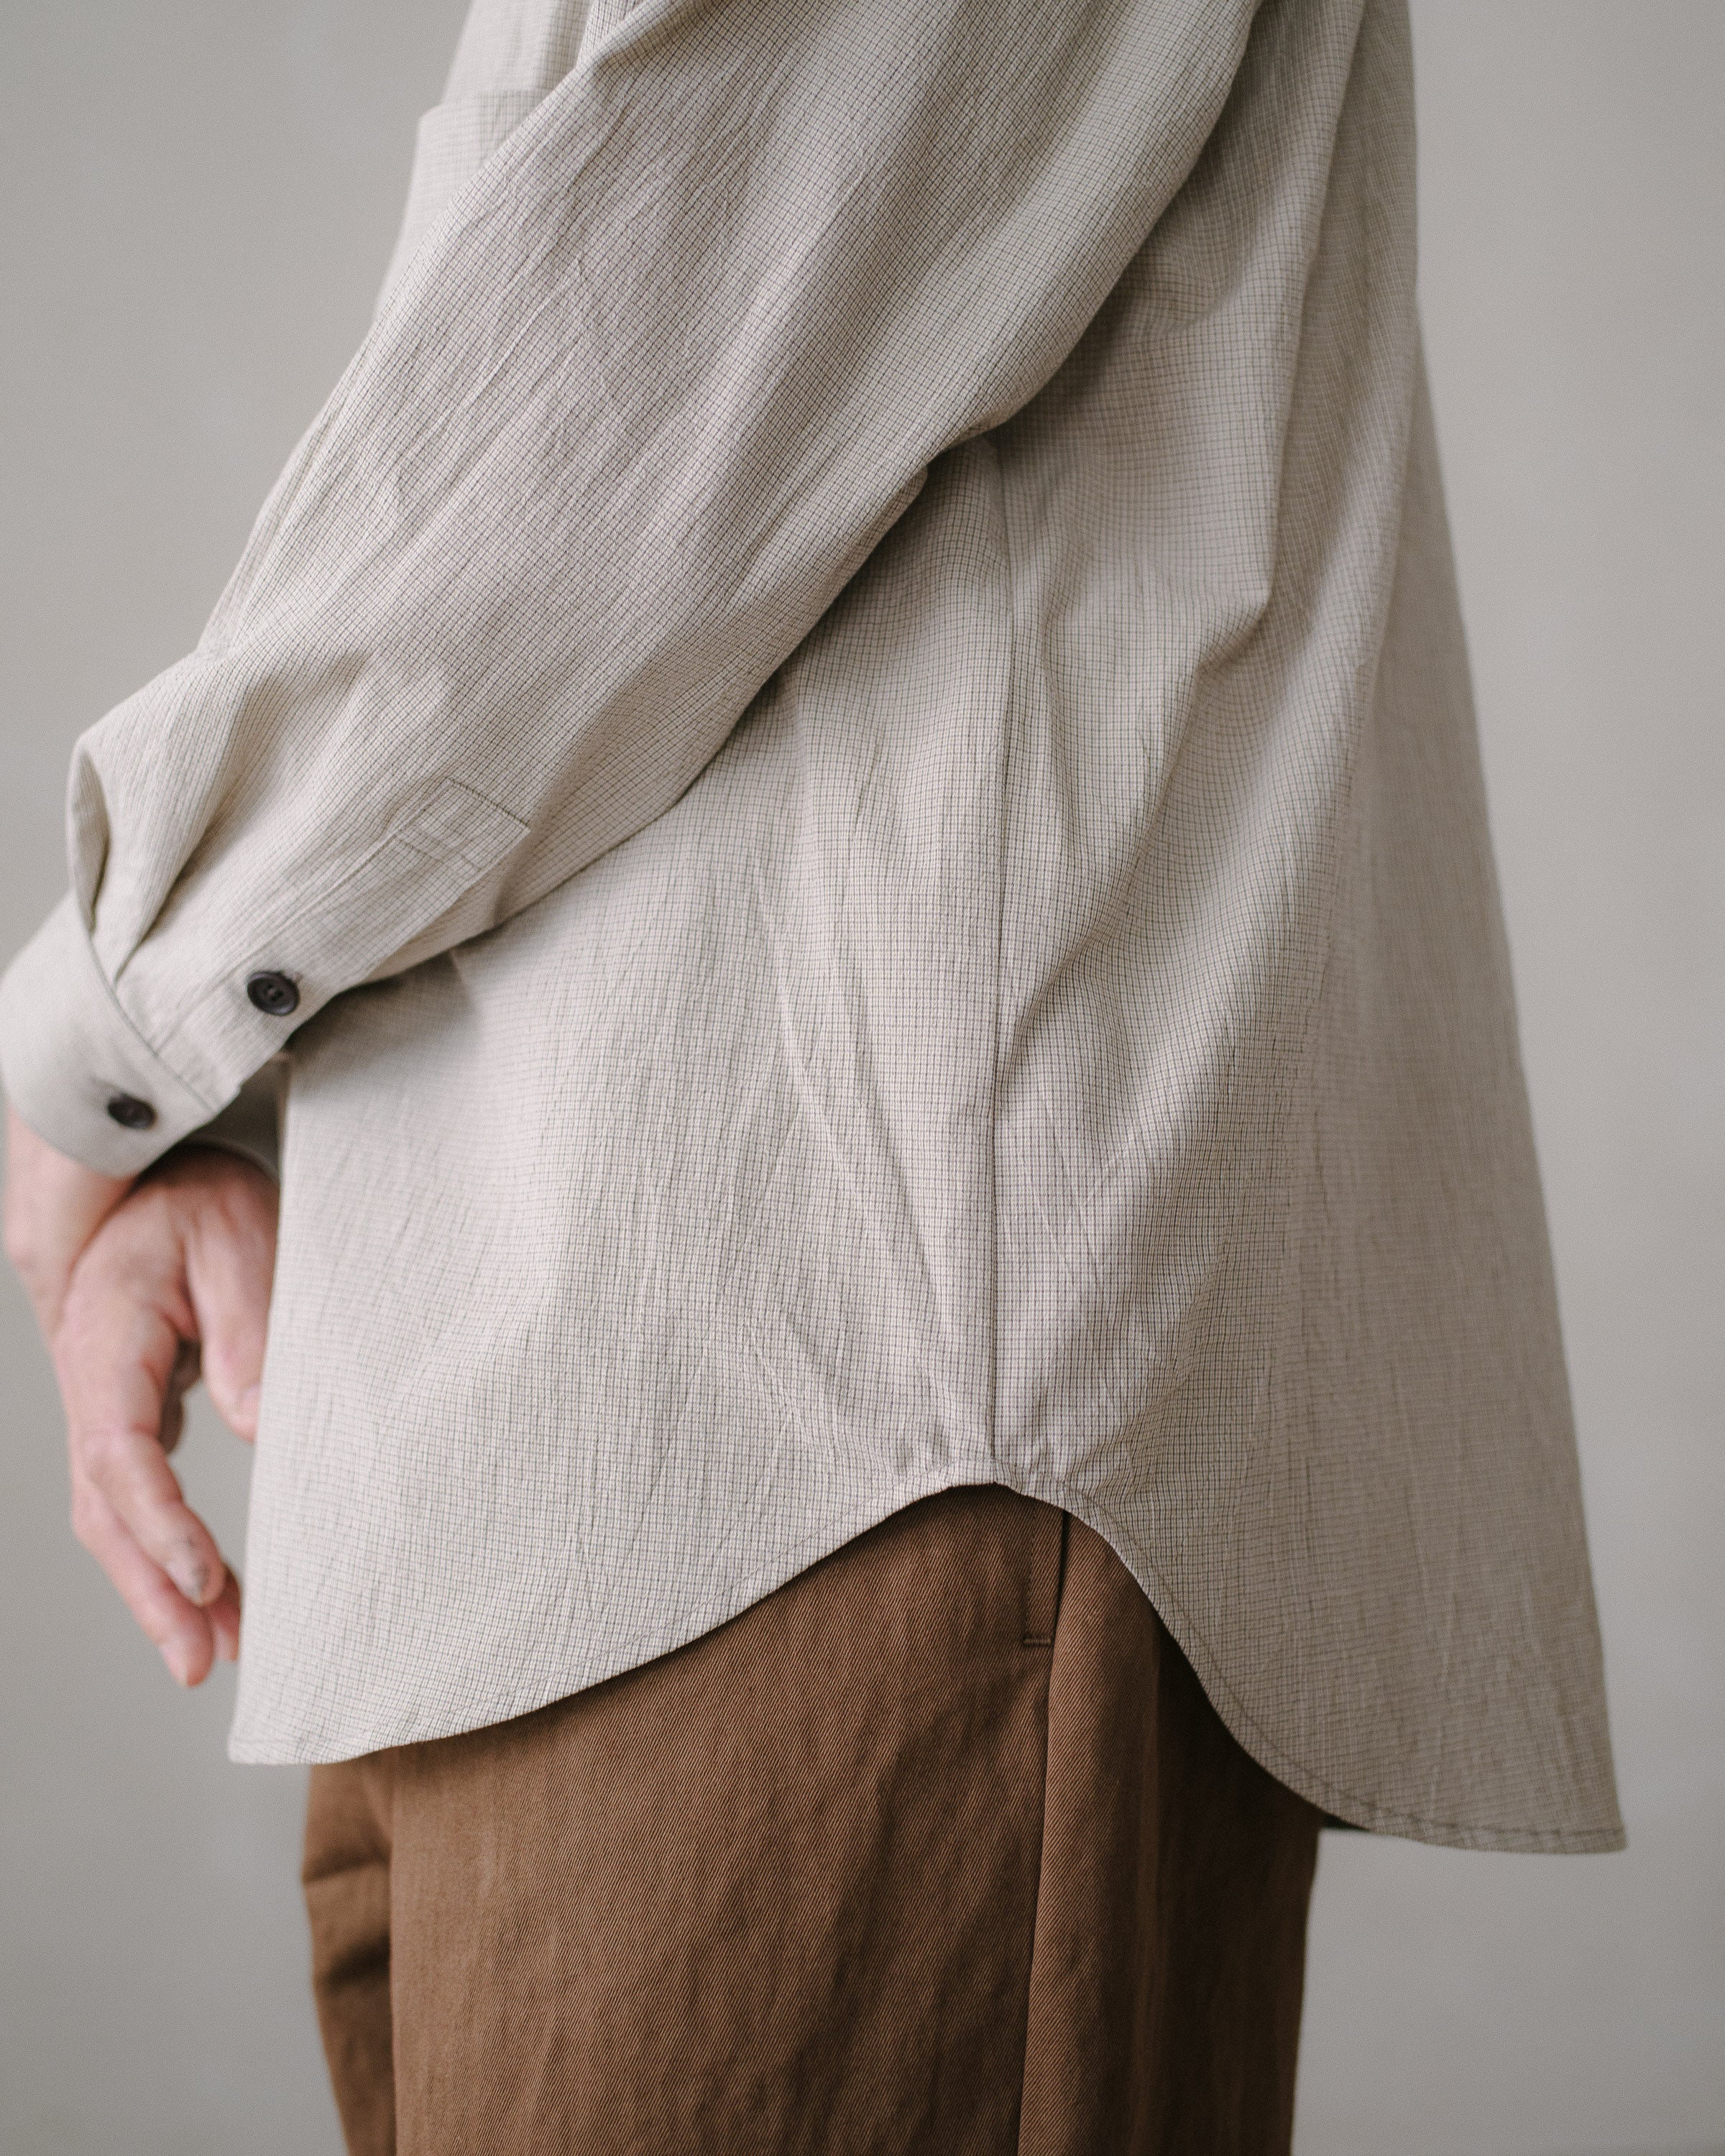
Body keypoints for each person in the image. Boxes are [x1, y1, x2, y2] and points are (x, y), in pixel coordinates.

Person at [1, 0, 1624, 2147]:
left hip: (839, 1427)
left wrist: (111, 1050)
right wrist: (216, 1099)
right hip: (550, 1446)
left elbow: (648, 371)